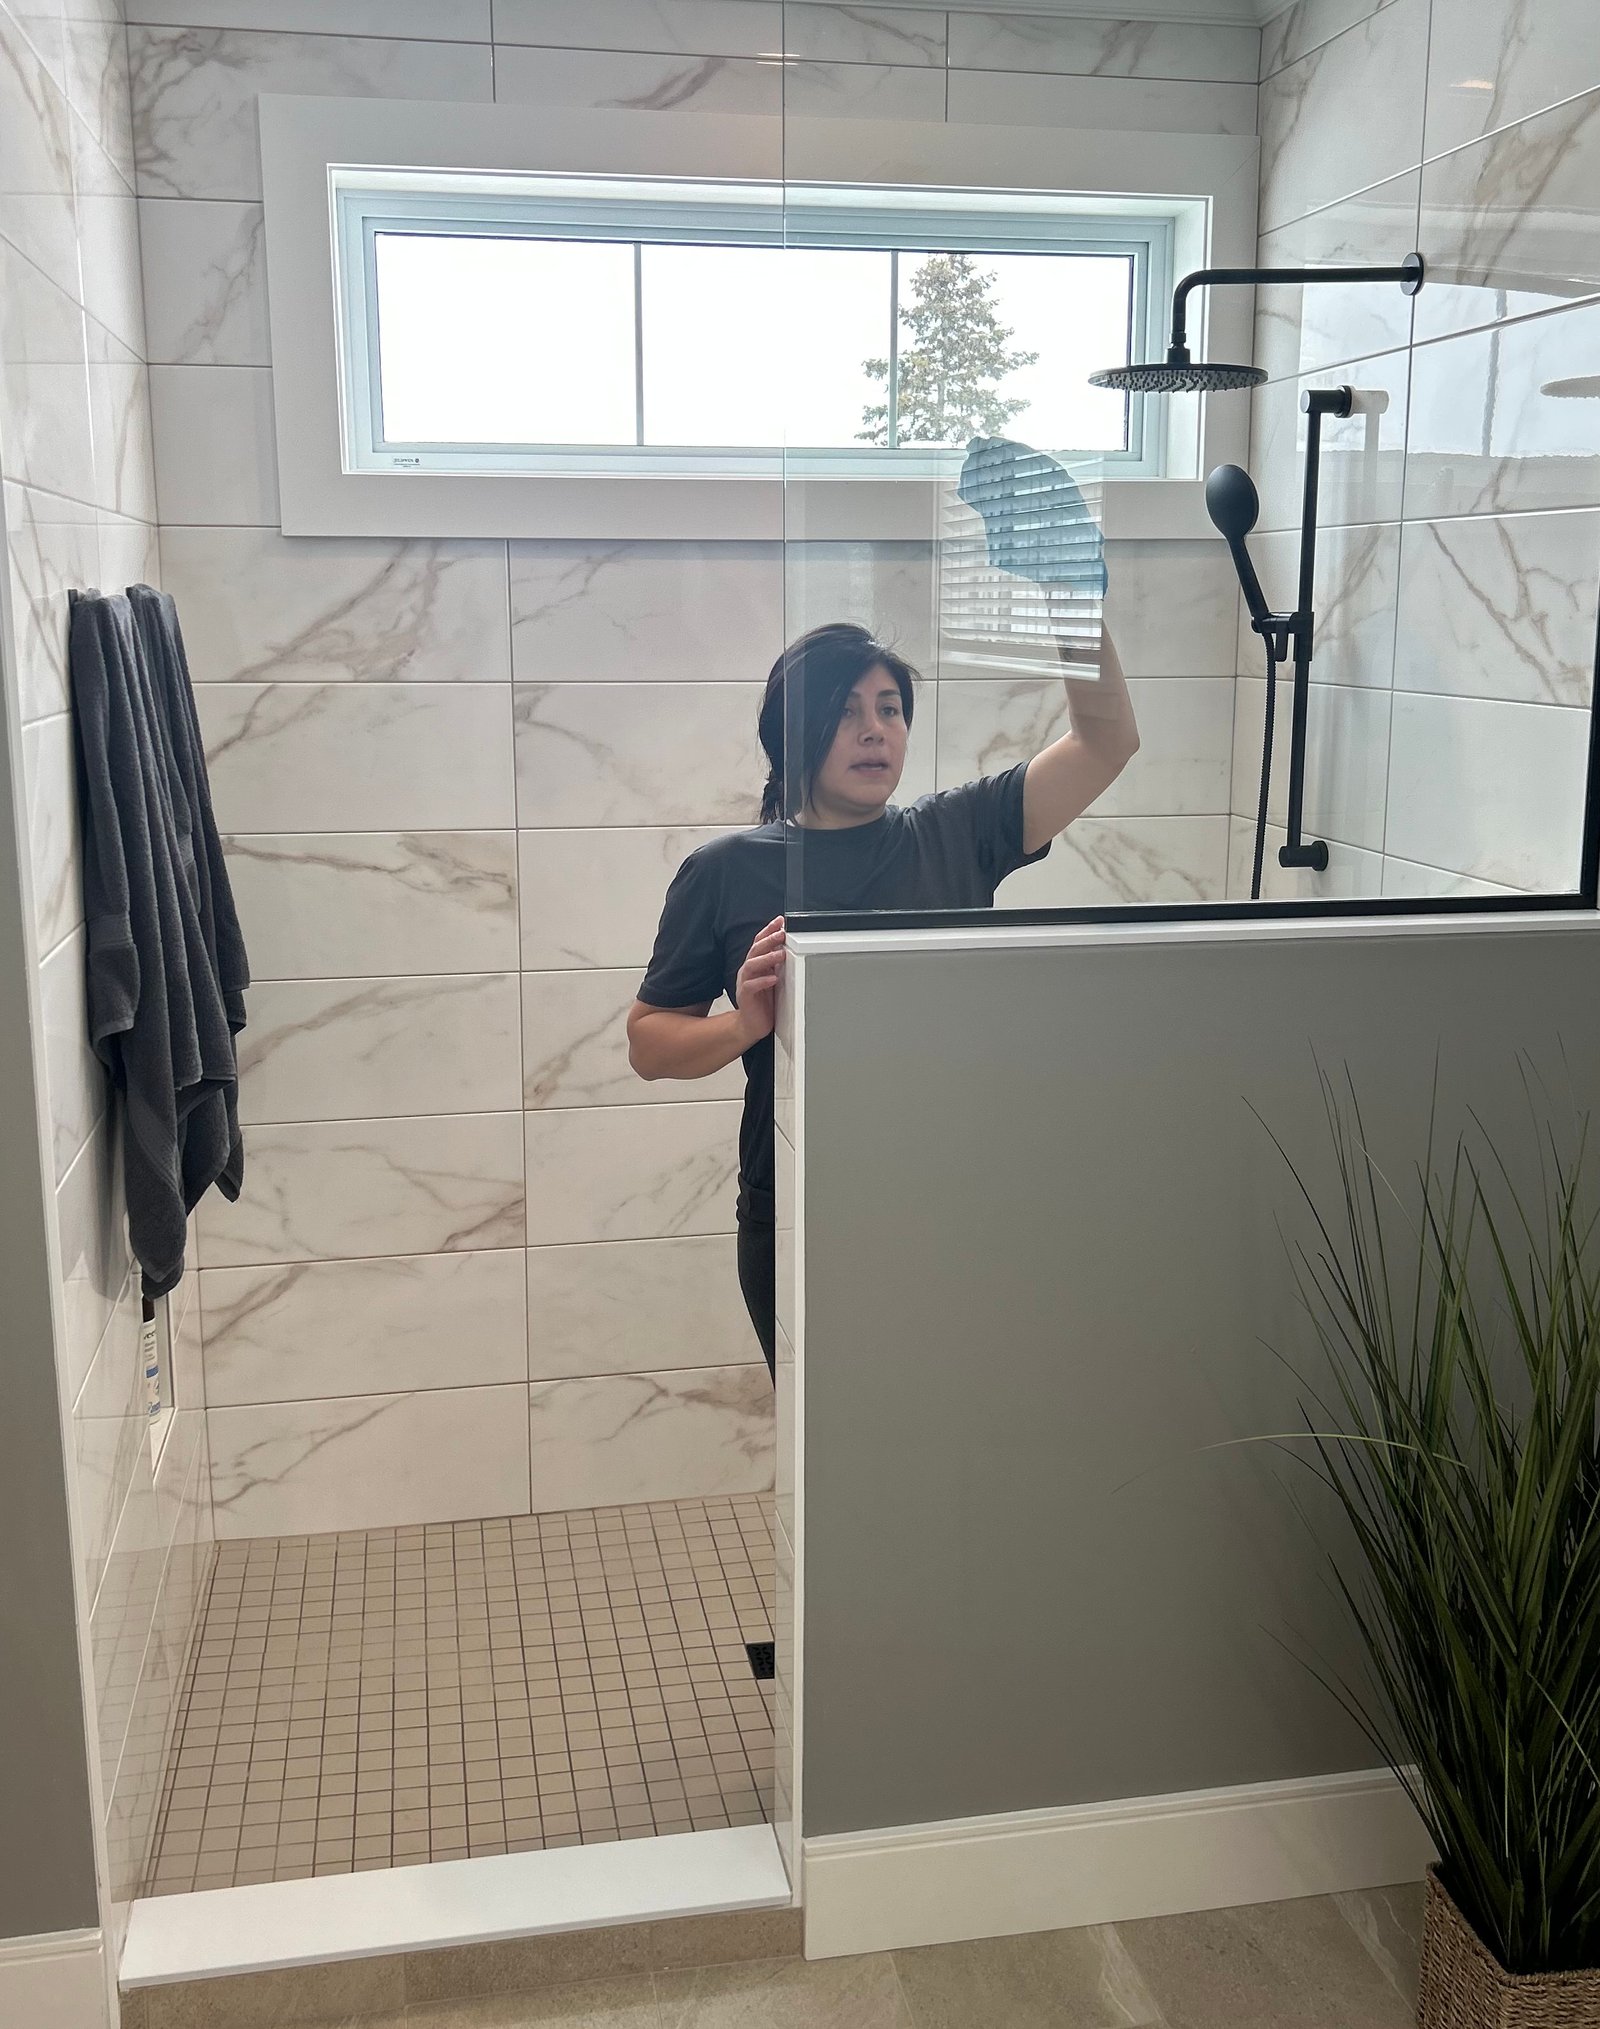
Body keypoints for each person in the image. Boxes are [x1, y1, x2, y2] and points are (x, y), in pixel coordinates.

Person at [626, 607, 1140, 1381]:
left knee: (949, 1427)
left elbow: (1107, 743)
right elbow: (649, 1043)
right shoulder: (725, 870)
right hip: (796, 1206)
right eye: (845, 712)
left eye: (890, 709)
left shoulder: (957, 831)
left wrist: (1074, 601)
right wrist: (744, 1025)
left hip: (951, 1201)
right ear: (792, 734)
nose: (875, 730)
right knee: (825, 1447)